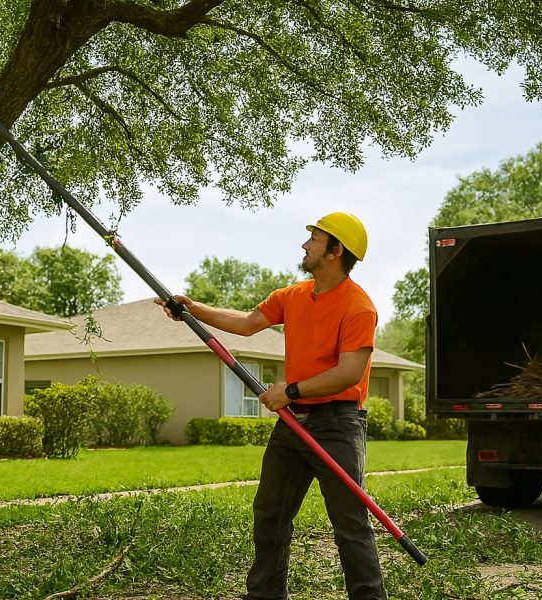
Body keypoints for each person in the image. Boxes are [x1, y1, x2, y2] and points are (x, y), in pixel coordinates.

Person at [156, 212, 386, 600]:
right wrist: (193, 309)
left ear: (335, 250)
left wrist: (290, 391)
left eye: (314, 239)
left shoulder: (358, 307)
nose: (304, 244)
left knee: (350, 525)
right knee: (270, 515)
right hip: (293, 423)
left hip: (338, 425)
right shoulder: (293, 296)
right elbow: (247, 323)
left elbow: (349, 372)